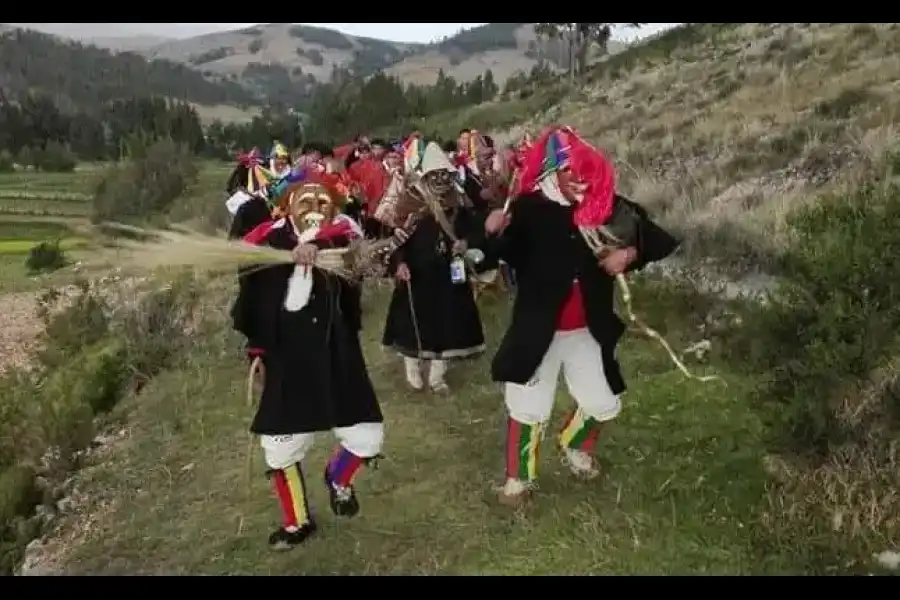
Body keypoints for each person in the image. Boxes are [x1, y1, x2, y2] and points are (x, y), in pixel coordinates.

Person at [482, 127, 679, 506]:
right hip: (538, 329)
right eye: (570, 172)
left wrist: (628, 255)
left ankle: (574, 445)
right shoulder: (528, 208)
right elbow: (494, 255)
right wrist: (491, 233)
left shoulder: (604, 203)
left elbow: (654, 237)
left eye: (584, 170)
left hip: (588, 328)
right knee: (527, 407)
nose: (580, 180)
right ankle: (518, 482)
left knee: (603, 403)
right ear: (552, 172)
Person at [231, 182, 384, 550]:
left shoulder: (340, 236)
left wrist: (317, 247)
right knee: (280, 446)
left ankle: (337, 477)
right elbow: (253, 303)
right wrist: (258, 353)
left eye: (324, 202)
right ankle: (297, 521)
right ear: (286, 206)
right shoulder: (266, 244)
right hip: (288, 359)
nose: (315, 208)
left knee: (367, 436)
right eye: (305, 202)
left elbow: (349, 247)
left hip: (337, 353)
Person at [382, 142, 486, 393]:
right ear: (426, 174)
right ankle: (412, 368)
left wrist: (465, 242)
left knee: (448, 320)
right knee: (413, 320)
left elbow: (474, 228)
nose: (441, 179)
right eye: (435, 174)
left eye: (445, 174)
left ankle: (438, 376)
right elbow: (395, 235)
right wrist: (399, 262)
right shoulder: (411, 198)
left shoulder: (459, 197)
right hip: (417, 271)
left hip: (450, 270)